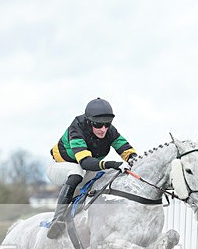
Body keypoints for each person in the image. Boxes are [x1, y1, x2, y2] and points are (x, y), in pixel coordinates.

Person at [45, 98, 138, 239]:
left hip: (85, 170)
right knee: (76, 172)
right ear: (89, 122)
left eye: (107, 125)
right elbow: (85, 162)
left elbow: (125, 149)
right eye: (98, 125)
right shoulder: (76, 129)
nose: (103, 129)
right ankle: (57, 220)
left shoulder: (110, 131)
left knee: (111, 174)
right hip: (60, 167)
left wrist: (134, 160)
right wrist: (111, 163)